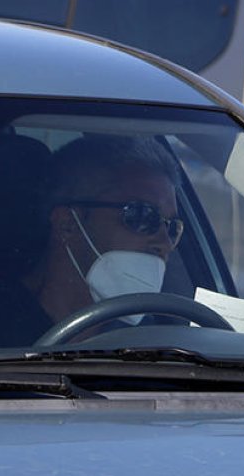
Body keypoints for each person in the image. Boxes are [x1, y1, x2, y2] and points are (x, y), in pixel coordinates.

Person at [15, 134, 185, 340]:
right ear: (67, 223)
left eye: (172, 228)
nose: (165, 243)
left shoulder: (158, 343)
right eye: (141, 215)